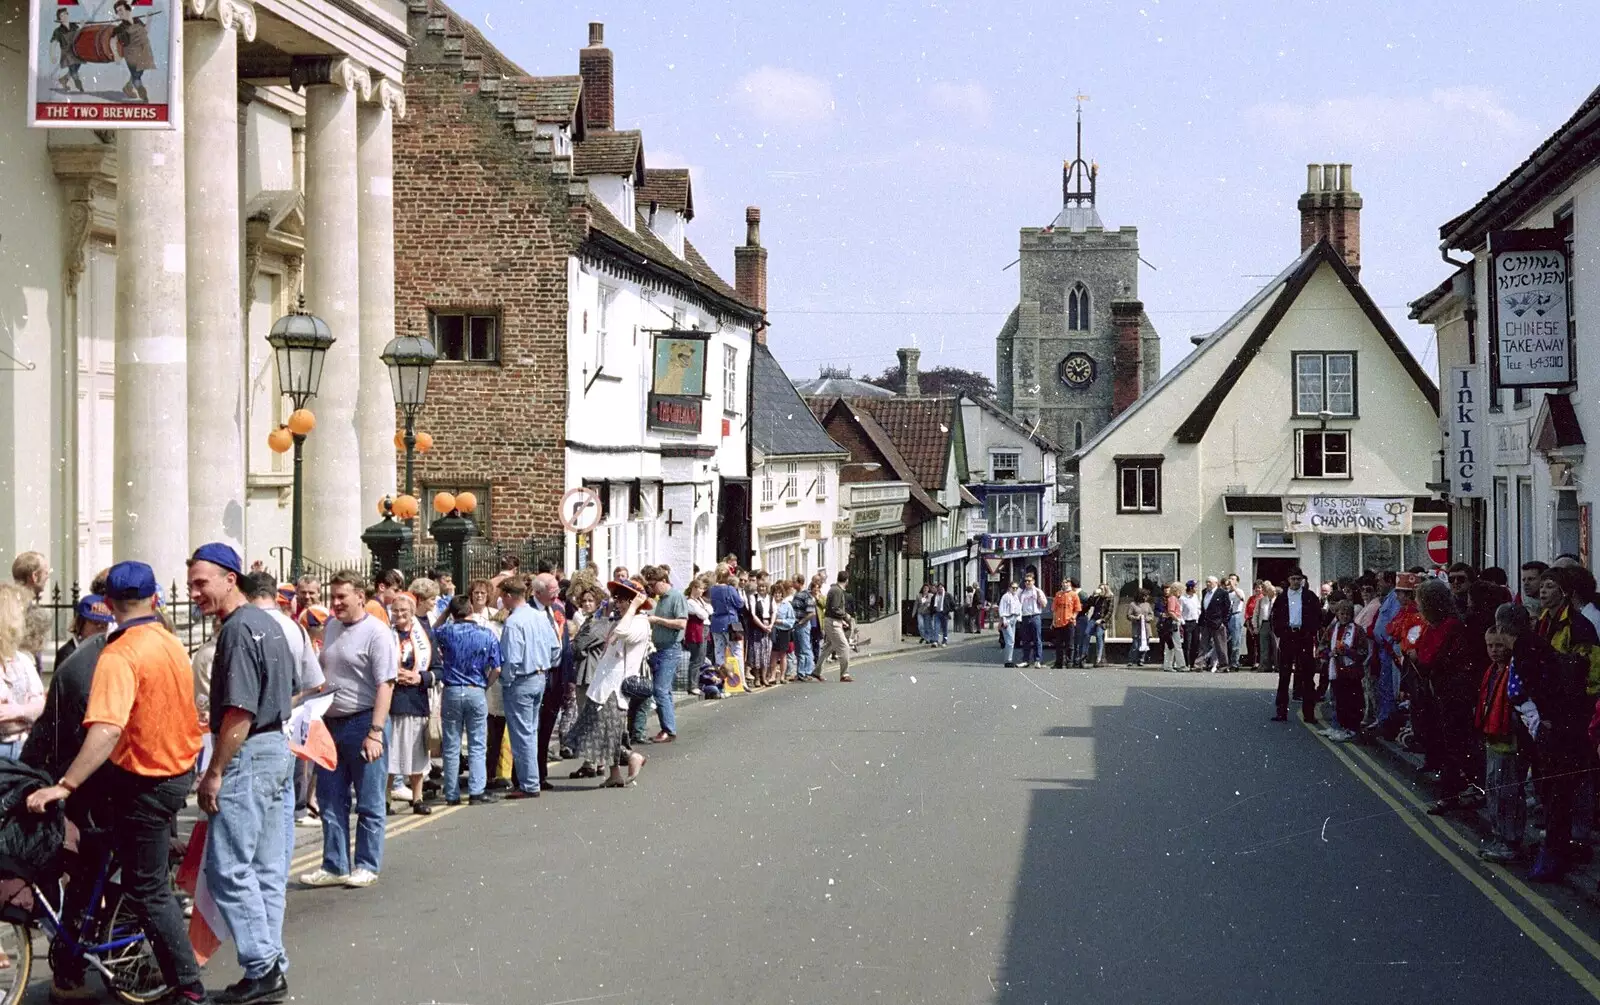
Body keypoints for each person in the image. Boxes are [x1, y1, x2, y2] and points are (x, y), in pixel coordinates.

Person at [26, 561, 207, 1004]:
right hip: (172, 774)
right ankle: (84, 962)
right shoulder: (169, 642)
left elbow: (105, 730)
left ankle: (189, 988)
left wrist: (64, 786)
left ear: (108, 605)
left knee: (147, 890)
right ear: (156, 600)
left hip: (144, 780)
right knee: (99, 864)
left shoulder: (118, 654)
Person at [188, 544, 298, 1005]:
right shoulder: (271, 625)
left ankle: (263, 967)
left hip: (248, 753)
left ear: (231, 578)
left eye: (201, 582)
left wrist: (214, 772)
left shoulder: (236, 632)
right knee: (268, 870)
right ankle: (270, 966)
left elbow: (238, 712)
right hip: (277, 749)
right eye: (191, 583)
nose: (195, 592)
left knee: (228, 869)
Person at [301, 572, 397, 889]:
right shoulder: (331, 627)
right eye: (333, 597)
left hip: (364, 721)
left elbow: (386, 684)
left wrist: (375, 732)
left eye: (342, 597)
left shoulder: (377, 633)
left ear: (360, 596)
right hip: (330, 723)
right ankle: (335, 864)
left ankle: (367, 864)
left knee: (368, 801)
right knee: (330, 798)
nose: (336, 603)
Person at [568, 580, 650, 787]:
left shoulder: (640, 622)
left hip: (616, 686)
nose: (619, 604)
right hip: (603, 684)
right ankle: (615, 774)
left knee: (603, 730)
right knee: (605, 730)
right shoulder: (620, 619)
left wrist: (632, 608)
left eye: (624, 600)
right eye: (619, 599)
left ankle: (632, 757)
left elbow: (622, 633)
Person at [1413, 577, 1482, 815]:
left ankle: (1452, 795)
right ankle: (1452, 792)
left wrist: (1418, 658)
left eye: (1421, 602)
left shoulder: (1450, 625)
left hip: (1452, 694)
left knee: (1454, 746)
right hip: (1437, 692)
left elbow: (1430, 657)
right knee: (1445, 745)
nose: (1419, 608)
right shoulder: (1434, 626)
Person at [434, 595, 501, 806]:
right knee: (477, 743)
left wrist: (445, 614)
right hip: (475, 689)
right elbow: (497, 668)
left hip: (452, 690)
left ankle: (451, 793)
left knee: (452, 744)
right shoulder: (487, 634)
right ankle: (476, 790)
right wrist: (485, 685)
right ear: (471, 608)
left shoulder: (446, 632)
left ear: (452, 613)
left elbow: (430, 632)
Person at [498, 575, 557, 799]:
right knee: (530, 731)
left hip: (521, 681)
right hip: (540, 677)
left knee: (522, 734)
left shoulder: (513, 622)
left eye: (503, 596)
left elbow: (511, 659)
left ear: (510, 596)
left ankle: (529, 784)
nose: (501, 601)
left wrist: (506, 680)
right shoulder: (540, 617)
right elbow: (555, 649)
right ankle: (531, 780)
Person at [387, 592, 435, 816]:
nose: (399, 615)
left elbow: (439, 670)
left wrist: (420, 678)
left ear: (412, 612)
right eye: (395, 610)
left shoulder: (424, 637)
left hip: (416, 700)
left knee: (417, 752)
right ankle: (385, 799)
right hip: (392, 701)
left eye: (404, 611)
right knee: (390, 752)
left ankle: (417, 798)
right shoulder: (385, 635)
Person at [532, 573, 571, 789]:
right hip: (538, 674)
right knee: (533, 728)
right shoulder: (529, 611)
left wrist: (568, 677)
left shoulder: (558, 609)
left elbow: (564, 643)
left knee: (547, 726)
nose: (557, 593)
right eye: (553, 589)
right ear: (538, 592)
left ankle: (541, 773)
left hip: (557, 677)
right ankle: (527, 775)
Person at [0, 584, 46, 761]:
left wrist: (18, 710)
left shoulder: (22, 660)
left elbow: (40, 705)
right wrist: (27, 713)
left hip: (23, 748)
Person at [1270, 569, 1322, 723]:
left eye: (1298, 579)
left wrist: (1311, 631)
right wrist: (1280, 632)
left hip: (1304, 636)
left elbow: (1317, 615)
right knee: (1284, 675)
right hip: (1288, 636)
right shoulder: (1282, 597)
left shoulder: (1310, 596)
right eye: (1293, 579)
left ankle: (1309, 714)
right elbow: (1275, 616)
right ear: (1288, 579)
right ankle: (1281, 712)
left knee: (1307, 675)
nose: (1296, 582)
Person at [643, 566, 686, 740]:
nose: (652, 588)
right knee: (663, 690)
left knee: (660, 690)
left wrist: (657, 620)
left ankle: (668, 730)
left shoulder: (676, 597)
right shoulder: (661, 599)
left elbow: (682, 623)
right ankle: (668, 728)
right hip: (659, 648)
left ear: (663, 581)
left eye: (653, 584)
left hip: (670, 648)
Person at [1320, 600, 1369, 743]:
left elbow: (1363, 651)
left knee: (1352, 702)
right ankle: (1338, 727)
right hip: (1335, 670)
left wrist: (1347, 651)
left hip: (1351, 673)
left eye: (1348, 614)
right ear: (1337, 614)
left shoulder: (1358, 630)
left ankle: (1351, 729)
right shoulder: (1332, 628)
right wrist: (1329, 653)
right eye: (1342, 613)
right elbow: (1323, 645)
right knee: (1338, 701)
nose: (1345, 616)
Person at [55, 593, 114, 668]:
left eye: (105, 624)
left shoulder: (106, 651)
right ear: (81, 624)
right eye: (96, 623)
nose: (101, 629)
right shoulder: (67, 654)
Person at [820, 570, 856, 682]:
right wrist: (846, 616)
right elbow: (835, 608)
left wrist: (842, 620)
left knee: (828, 647)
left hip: (833, 621)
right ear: (847, 580)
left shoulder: (835, 589)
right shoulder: (837, 591)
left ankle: (816, 671)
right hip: (833, 623)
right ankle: (844, 674)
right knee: (844, 646)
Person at [709, 571, 745, 670]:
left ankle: (722, 679)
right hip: (731, 624)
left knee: (719, 652)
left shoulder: (712, 590)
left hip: (716, 623)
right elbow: (740, 604)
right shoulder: (730, 589)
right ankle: (738, 680)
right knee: (736, 651)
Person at [1198, 576, 1232, 673]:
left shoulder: (1222, 593)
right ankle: (1199, 664)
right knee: (1203, 644)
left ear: (1216, 583)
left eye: (1209, 582)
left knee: (1220, 645)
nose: (1207, 584)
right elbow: (1204, 608)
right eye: (1207, 582)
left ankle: (1224, 665)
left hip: (1217, 623)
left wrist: (1223, 622)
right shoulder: (1204, 592)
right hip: (1205, 622)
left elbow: (1227, 608)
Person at [1016, 573, 1047, 669]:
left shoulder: (1038, 591)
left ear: (1033, 581)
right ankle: (1025, 660)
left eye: (1029, 581)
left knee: (1037, 639)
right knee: (1025, 640)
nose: (1027, 582)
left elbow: (1044, 604)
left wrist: (1039, 598)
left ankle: (1037, 660)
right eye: (1025, 581)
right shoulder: (1022, 592)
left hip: (1035, 616)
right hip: (1025, 617)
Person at [788, 574, 817, 682]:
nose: (792, 583)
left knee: (805, 649)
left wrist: (801, 622)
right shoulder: (797, 594)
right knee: (799, 650)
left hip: (803, 626)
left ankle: (807, 672)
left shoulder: (806, 595)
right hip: (796, 625)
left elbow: (811, 613)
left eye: (794, 581)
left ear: (799, 583)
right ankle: (800, 672)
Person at [684, 577, 712, 679]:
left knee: (701, 658)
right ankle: (693, 685)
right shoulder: (689, 601)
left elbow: (710, 611)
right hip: (696, 630)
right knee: (696, 659)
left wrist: (704, 608)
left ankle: (698, 682)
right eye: (700, 588)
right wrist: (704, 609)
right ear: (694, 588)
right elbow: (703, 615)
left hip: (704, 629)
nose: (702, 591)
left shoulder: (700, 600)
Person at [770, 582, 795, 686]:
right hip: (773, 630)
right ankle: (772, 675)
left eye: (779, 593)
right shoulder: (770, 604)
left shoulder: (787, 605)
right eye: (775, 593)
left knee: (783, 654)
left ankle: (782, 676)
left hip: (783, 631)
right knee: (773, 654)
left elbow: (791, 620)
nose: (777, 595)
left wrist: (780, 621)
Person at [1052, 579, 1081, 669]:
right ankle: (1059, 663)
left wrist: (1074, 616)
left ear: (1070, 584)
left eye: (1067, 582)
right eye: (1063, 582)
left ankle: (1069, 662)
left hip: (1069, 621)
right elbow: (1054, 609)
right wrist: (1054, 620)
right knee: (1059, 644)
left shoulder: (1074, 594)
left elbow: (1077, 608)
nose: (1065, 584)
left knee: (1070, 644)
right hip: (1059, 622)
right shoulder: (1058, 594)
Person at [1125, 589, 1154, 667]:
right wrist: (1136, 618)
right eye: (1145, 596)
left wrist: (1147, 618)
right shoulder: (1132, 604)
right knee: (1135, 645)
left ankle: (1141, 660)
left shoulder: (1147, 604)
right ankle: (1131, 660)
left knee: (1145, 644)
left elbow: (1151, 615)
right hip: (1137, 628)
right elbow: (1128, 616)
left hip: (1146, 628)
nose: (1147, 598)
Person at [1225, 574, 1248, 670]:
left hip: (1235, 616)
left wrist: (1233, 587)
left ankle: (1235, 662)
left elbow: (1242, 598)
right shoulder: (1227, 593)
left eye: (1233, 579)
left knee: (1236, 640)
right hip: (1227, 617)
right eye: (1230, 579)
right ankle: (1227, 662)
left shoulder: (1238, 591)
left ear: (1237, 582)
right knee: (1227, 641)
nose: (1230, 580)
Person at [1161, 583, 1186, 672]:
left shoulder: (1172, 598)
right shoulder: (1173, 599)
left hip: (1171, 623)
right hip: (1173, 623)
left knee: (1170, 645)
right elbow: (1171, 612)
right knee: (1177, 645)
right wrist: (1178, 619)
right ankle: (1181, 665)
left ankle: (1167, 665)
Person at [998, 581, 1021, 667]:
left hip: (1014, 619)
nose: (1014, 589)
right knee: (1010, 640)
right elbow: (1002, 609)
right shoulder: (1005, 597)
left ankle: (1009, 659)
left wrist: (1019, 618)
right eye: (1013, 588)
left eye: (1016, 588)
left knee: (1011, 640)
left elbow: (1018, 608)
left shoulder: (1016, 597)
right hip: (1007, 619)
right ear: (1009, 588)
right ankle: (1008, 660)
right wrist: (1004, 620)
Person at [1179, 580, 1202, 669]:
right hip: (1187, 623)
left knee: (1195, 644)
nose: (1196, 589)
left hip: (1195, 622)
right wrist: (1183, 622)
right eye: (1195, 587)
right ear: (1191, 588)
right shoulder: (1182, 598)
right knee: (1187, 644)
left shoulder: (1195, 597)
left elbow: (1198, 608)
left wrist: (1198, 616)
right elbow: (1180, 611)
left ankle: (1193, 663)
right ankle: (1186, 663)